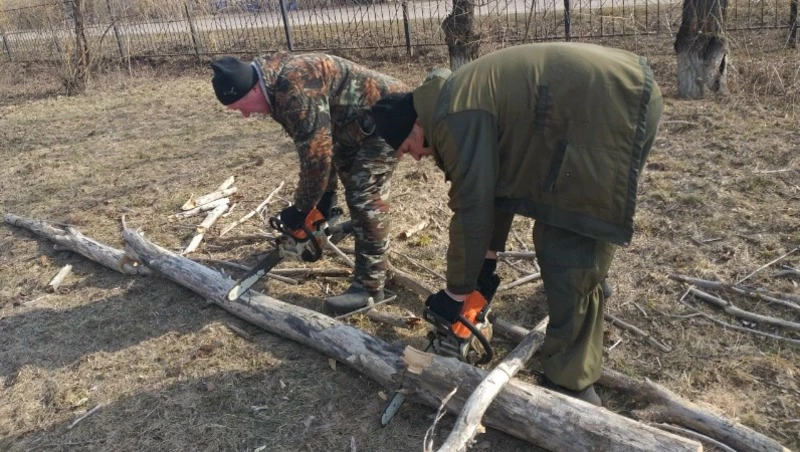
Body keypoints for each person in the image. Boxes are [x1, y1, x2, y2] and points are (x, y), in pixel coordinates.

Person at [370, 42, 663, 406]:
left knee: (566, 246)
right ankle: (587, 290)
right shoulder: (453, 100)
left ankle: (572, 386)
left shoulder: (454, 117)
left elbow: (473, 205)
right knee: (568, 238)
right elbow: (496, 189)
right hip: (607, 95)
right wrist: (486, 265)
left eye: (407, 146)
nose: (413, 156)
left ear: (416, 124)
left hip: (615, 102)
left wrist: (456, 293)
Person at [211, 51, 408, 314]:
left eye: (239, 106)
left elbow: (316, 158)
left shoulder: (293, 88)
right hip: (355, 126)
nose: (245, 115)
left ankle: (370, 287)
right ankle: (364, 231)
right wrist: (325, 198)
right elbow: (315, 142)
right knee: (352, 184)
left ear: (251, 89)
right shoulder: (273, 84)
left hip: (391, 117)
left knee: (364, 195)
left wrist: (301, 209)